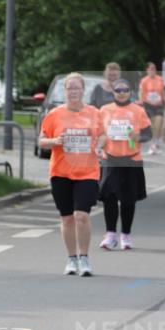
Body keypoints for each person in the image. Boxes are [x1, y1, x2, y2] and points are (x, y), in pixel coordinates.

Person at [38, 72, 104, 277]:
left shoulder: (94, 113)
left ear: (83, 90)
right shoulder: (54, 114)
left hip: (87, 172)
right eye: (70, 88)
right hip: (61, 172)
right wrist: (55, 141)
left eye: (77, 88)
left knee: (81, 216)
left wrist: (100, 147)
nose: (73, 91)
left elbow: (102, 136)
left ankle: (84, 258)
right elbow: (41, 140)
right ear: (64, 91)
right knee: (67, 219)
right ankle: (71, 258)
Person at [98, 79, 152, 249]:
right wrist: (98, 146)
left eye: (125, 90)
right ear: (113, 92)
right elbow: (99, 133)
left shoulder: (138, 110)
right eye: (118, 90)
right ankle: (110, 234)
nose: (121, 93)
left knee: (128, 200)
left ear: (130, 92)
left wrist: (137, 137)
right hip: (110, 158)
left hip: (131, 158)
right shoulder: (105, 110)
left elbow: (148, 134)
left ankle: (126, 235)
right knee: (109, 197)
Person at [138, 62, 165, 153]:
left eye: (154, 68)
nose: (153, 70)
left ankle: (154, 144)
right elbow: (140, 92)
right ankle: (154, 144)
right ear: (147, 70)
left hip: (158, 105)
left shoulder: (160, 79)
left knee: (158, 124)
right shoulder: (144, 80)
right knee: (152, 126)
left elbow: (163, 93)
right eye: (151, 68)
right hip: (148, 104)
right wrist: (141, 101)